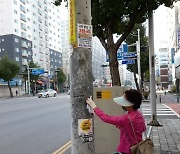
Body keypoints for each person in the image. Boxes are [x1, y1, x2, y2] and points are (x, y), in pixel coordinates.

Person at [86, 89, 146, 154]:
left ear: (130, 104)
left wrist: (93, 106)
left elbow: (106, 118)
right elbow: (143, 128)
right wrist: (124, 127)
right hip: (137, 147)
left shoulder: (127, 118)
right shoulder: (139, 115)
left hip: (126, 149)